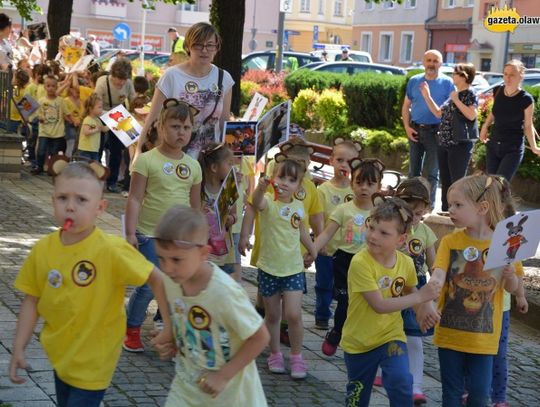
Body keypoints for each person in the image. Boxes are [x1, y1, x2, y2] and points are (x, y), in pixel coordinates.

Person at [9, 160, 170, 407]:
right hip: (61, 355)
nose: (70, 207)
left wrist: (170, 326)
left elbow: (157, 279)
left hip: (96, 360)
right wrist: (19, 347)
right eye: (62, 198)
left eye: (81, 200)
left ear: (100, 207)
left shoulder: (110, 249)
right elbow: (32, 300)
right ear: (53, 201)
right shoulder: (42, 250)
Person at [417, 174, 524, 407]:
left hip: (483, 338)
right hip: (449, 334)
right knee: (451, 394)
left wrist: (510, 277)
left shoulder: (505, 242)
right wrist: (428, 297)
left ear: (482, 207)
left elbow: (513, 289)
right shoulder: (450, 242)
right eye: (449, 204)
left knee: (479, 395)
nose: (450, 209)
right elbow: (438, 273)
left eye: (457, 204)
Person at [151, 205, 269, 406]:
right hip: (186, 390)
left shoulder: (224, 293)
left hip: (231, 398)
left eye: (176, 259)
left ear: (204, 253)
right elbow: (158, 282)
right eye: (161, 258)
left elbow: (260, 337)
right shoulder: (173, 278)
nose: (168, 268)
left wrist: (223, 375)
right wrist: (170, 330)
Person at [341, 196, 440, 407]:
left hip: (391, 337)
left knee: (401, 381)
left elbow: (410, 289)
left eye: (384, 232)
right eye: (372, 227)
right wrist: (421, 297)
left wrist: (424, 309)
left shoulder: (405, 262)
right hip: (359, 343)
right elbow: (379, 306)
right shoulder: (360, 263)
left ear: (401, 239)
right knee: (357, 398)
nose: (373, 236)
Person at [123, 99, 202, 352]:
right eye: (176, 126)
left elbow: (195, 206)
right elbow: (135, 198)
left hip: (179, 239)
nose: (181, 132)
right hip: (148, 235)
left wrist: (198, 238)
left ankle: (172, 331)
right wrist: (130, 232)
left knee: (176, 287)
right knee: (147, 287)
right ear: (160, 126)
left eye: (187, 128)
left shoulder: (193, 166)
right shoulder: (146, 161)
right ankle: (132, 329)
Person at [309, 158, 384, 357]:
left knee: (368, 303)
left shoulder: (380, 213)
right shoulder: (343, 209)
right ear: (352, 183)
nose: (364, 188)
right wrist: (313, 250)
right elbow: (325, 234)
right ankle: (337, 332)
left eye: (370, 184)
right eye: (359, 182)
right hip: (345, 262)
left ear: (379, 186)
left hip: (371, 263)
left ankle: (364, 343)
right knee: (345, 301)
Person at [251, 156, 317, 379]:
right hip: (269, 268)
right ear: (273, 178)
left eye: (292, 179)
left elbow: (301, 232)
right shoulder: (269, 202)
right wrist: (260, 188)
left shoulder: (299, 208)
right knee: (273, 315)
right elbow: (255, 201)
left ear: (299, 185)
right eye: (281, 177)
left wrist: (313, 249)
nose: (285, 183)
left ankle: (297, 357)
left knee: (293, 314)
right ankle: (275, 354)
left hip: (293, 269)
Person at [137, 22, 234, 159]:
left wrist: (231, 156)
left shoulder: (224, 78)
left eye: (210, 45)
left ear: (216, 47)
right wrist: (138, 151)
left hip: (209, 162)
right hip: (175, 159)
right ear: (188, 46)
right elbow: (153, 117)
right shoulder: (172, 76)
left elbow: (224, 122)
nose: (204, 50)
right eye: (198, 44)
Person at [394, 177, 437, 405]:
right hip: (392, 285)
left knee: (414, 337)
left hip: (416, 287)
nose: (414, 219)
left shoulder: (426, 232)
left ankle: (416, 386)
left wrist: (436, 288)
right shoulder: (391, 227)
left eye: (419, 214)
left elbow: (434, 264)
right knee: (387, 333)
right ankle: (387, 372)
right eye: (410, 213)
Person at [313, 138, 360, 330]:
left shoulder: (356, 189)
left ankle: (346, 318)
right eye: (339, 160)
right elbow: (317, 217)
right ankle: (322, 314)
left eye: (349, 162)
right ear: (331, 160)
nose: (344, 165)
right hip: (327, 249)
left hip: (349, 250)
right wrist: (318, 240)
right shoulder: (323, 190)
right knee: (324, 283)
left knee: (347, 287)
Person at [421, 62, 478, 212]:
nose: (452, 76)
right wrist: (427, 96)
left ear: (464, 76)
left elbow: (472, 115)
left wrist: (457, 100)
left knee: (457, 182)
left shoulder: (469, 94)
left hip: (459, 144)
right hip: (444, 143)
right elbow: (438, 113)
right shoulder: (455, 94)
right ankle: (446, 210)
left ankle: (459, 212)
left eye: (455, 73)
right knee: (445, 181)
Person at [402, 49, 454, 206]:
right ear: (423, 62)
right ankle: (410, 204)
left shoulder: (447, 83)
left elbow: (451, 109)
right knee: (413, 172)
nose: (431, 64)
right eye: (429, 60)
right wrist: (407, 127)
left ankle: (427, 206)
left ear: (441, 63)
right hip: (415, 130)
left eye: (435, 60)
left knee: (431, 173)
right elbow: (405, 107)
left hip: (436, 132)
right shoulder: (414, 81)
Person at [480, 59, 540, 182]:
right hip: (493, 145)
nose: (507, 78)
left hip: (512, 149)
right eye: (505, 74)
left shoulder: (526, 99)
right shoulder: (498, 91)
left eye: (512, 75)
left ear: (520, 76)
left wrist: (534, 147)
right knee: (490, 185)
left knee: (500, 186)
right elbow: (494, 111)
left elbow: (528, 126)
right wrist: (485, 126)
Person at [94, 59, 135, 192]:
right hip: (102, 113)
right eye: (119, 79)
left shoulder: (128, 83)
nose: (121, 82)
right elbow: (95, 104)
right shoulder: (102, 82)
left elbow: (133, 101)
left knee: (117, 151)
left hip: (119, 116)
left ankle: (112, 181)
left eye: (124, 79)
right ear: (113, 75)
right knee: (98, 149)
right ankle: (96, 179)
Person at [198, 142, 238, 278]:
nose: (233, 167)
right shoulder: (198, 190)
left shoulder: (229, 189)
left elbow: (234, 215)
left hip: (224, 253)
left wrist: (229, 219)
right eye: (229, 163)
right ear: (214, 167)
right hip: (203, 251)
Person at [32, 75, 68, 175]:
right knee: (41, 151)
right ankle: (39, 166)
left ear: (56, 87)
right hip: (44, 131)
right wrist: (40, 117)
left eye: (53, 86)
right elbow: (38, 113)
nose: (50, 88)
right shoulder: (41, 100)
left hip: (57, 131)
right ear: (44, 87)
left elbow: (66, 113)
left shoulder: (60, 101)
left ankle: (51, 169)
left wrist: (73, 120)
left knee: (54, 152)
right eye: (48, 86)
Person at [78, 94, 108, 161]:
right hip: (85, 149)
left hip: (94, 149)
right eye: (99, 107)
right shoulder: (88, 119)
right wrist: (97, 129)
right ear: (91, 108)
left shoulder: (97, 120)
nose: (101, 109)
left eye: (102, 107)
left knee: (94, 167)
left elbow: (104, 129)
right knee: (85, 168)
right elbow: (86, 132)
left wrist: (113, 124)